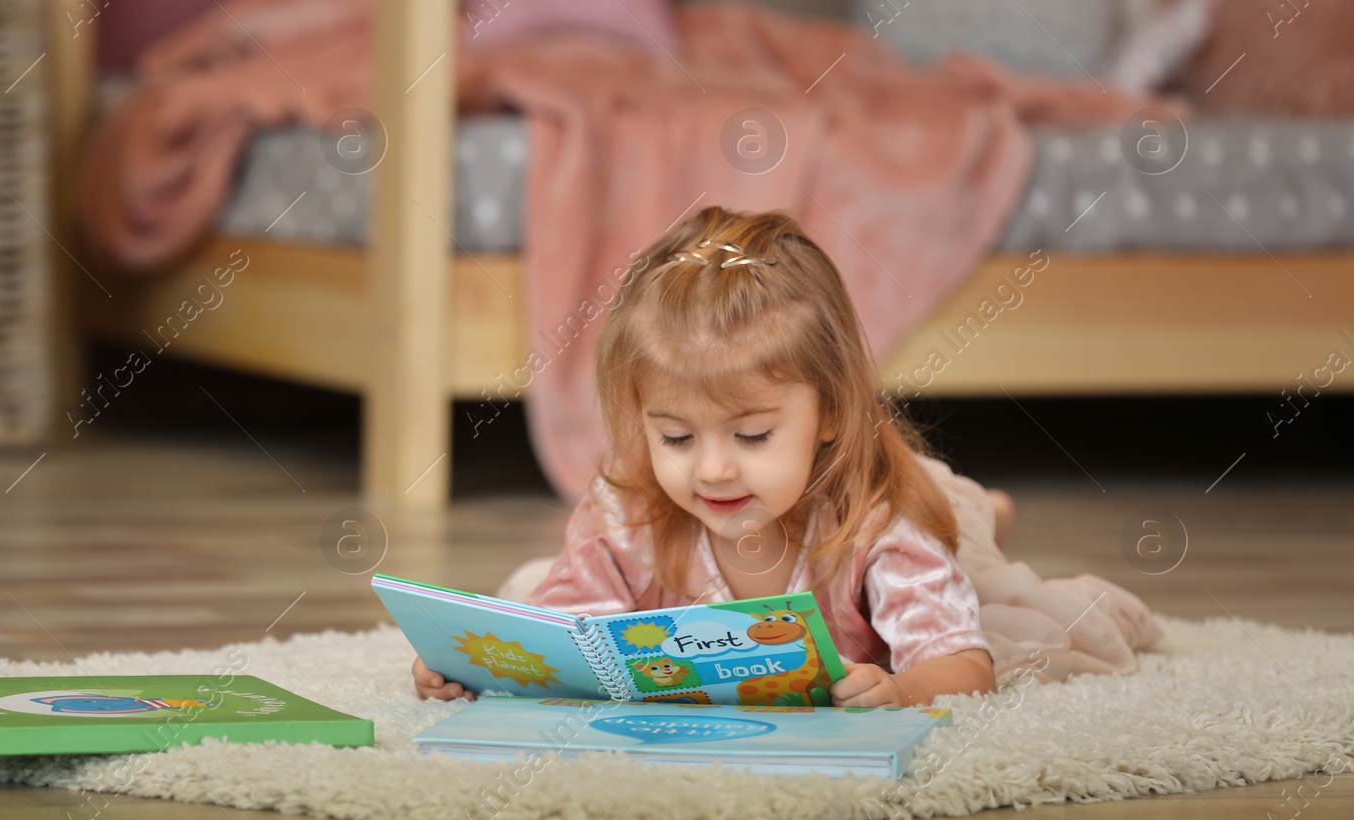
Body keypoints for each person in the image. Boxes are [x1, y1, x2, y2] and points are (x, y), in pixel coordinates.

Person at [413, 207, 1160, 704]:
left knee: (999, 587)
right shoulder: (626, 509)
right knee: (529, 587)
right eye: (676, 437)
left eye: (750, 435)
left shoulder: (881, 523)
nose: (711, 469)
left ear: (832, 409)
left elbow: (965, 663)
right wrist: (481, 669)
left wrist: (900, 689)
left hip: (893, 499)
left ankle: (982, 507)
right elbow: (578, 651)